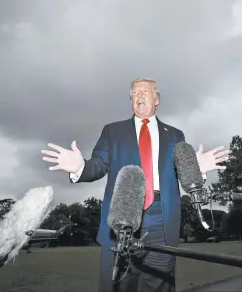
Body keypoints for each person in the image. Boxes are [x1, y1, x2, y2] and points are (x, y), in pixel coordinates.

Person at [41, 78, 228, 292]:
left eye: (145, 91)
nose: (139, 95)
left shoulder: (176, 135)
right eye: (135, 93)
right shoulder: (113, 131)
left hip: (162, 221)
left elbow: (183, 173)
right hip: (122, 217)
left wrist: (198, 169)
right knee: (117, 285)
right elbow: (99, 165)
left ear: (156, 99)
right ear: (131, 100)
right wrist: (79, 168)